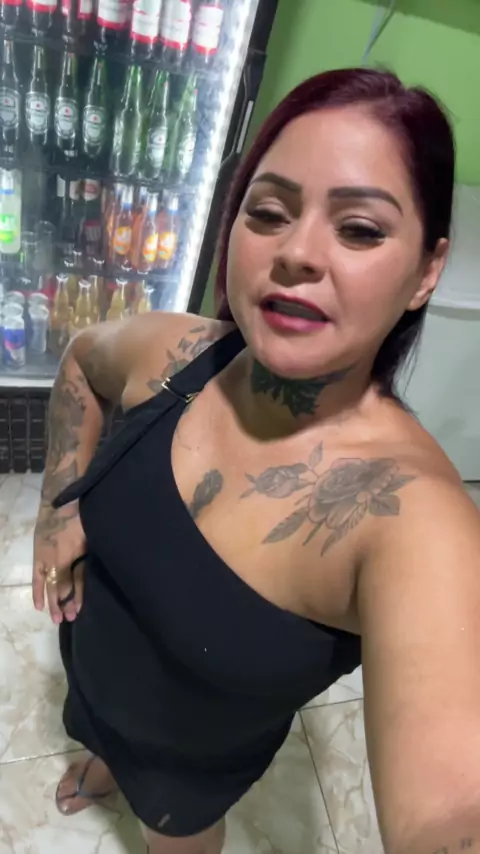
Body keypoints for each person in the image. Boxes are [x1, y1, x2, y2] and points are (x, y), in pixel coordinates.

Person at [32, 67, 480, 854]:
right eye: (268, 213)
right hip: (95, 675)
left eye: (360, 229)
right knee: (99, 725)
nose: (298, 252)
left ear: (426, 270)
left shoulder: (412, 520)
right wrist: (59, 505)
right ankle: (106, 759)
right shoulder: (172, 353)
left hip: (188, 778)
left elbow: (452, 808)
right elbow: (79, 362)